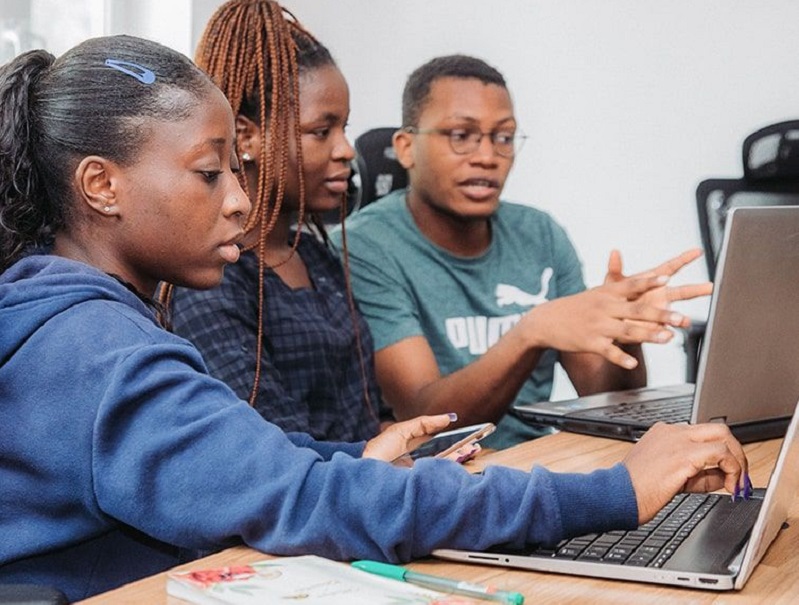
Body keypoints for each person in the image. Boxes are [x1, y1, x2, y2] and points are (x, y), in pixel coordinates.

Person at [0, 34, 748, 603]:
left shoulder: (83, 325)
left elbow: (246, 456)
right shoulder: (96, 349)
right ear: (100, 184)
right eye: (210, 172)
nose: (237, 197)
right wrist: (615, 490)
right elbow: (297, 497)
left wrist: (352, 455)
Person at [330, 55, 712, 448]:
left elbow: (605, 401)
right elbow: (424, 421)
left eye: (504, 137)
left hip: (541, 462)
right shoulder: (363, 245)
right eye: (461, 135)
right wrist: (530, 332)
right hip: (444, 478)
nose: (487, 156)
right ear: (406, 148)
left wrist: (625, 329)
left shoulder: (540, 234)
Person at [166, 0, 388, 442]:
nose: (346, 149)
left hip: (369, 492)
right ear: (246, 137)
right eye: (322, 131)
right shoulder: (214, 277)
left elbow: (369, 418)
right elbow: (277, 454)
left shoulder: (315, 257)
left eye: (345, 127)